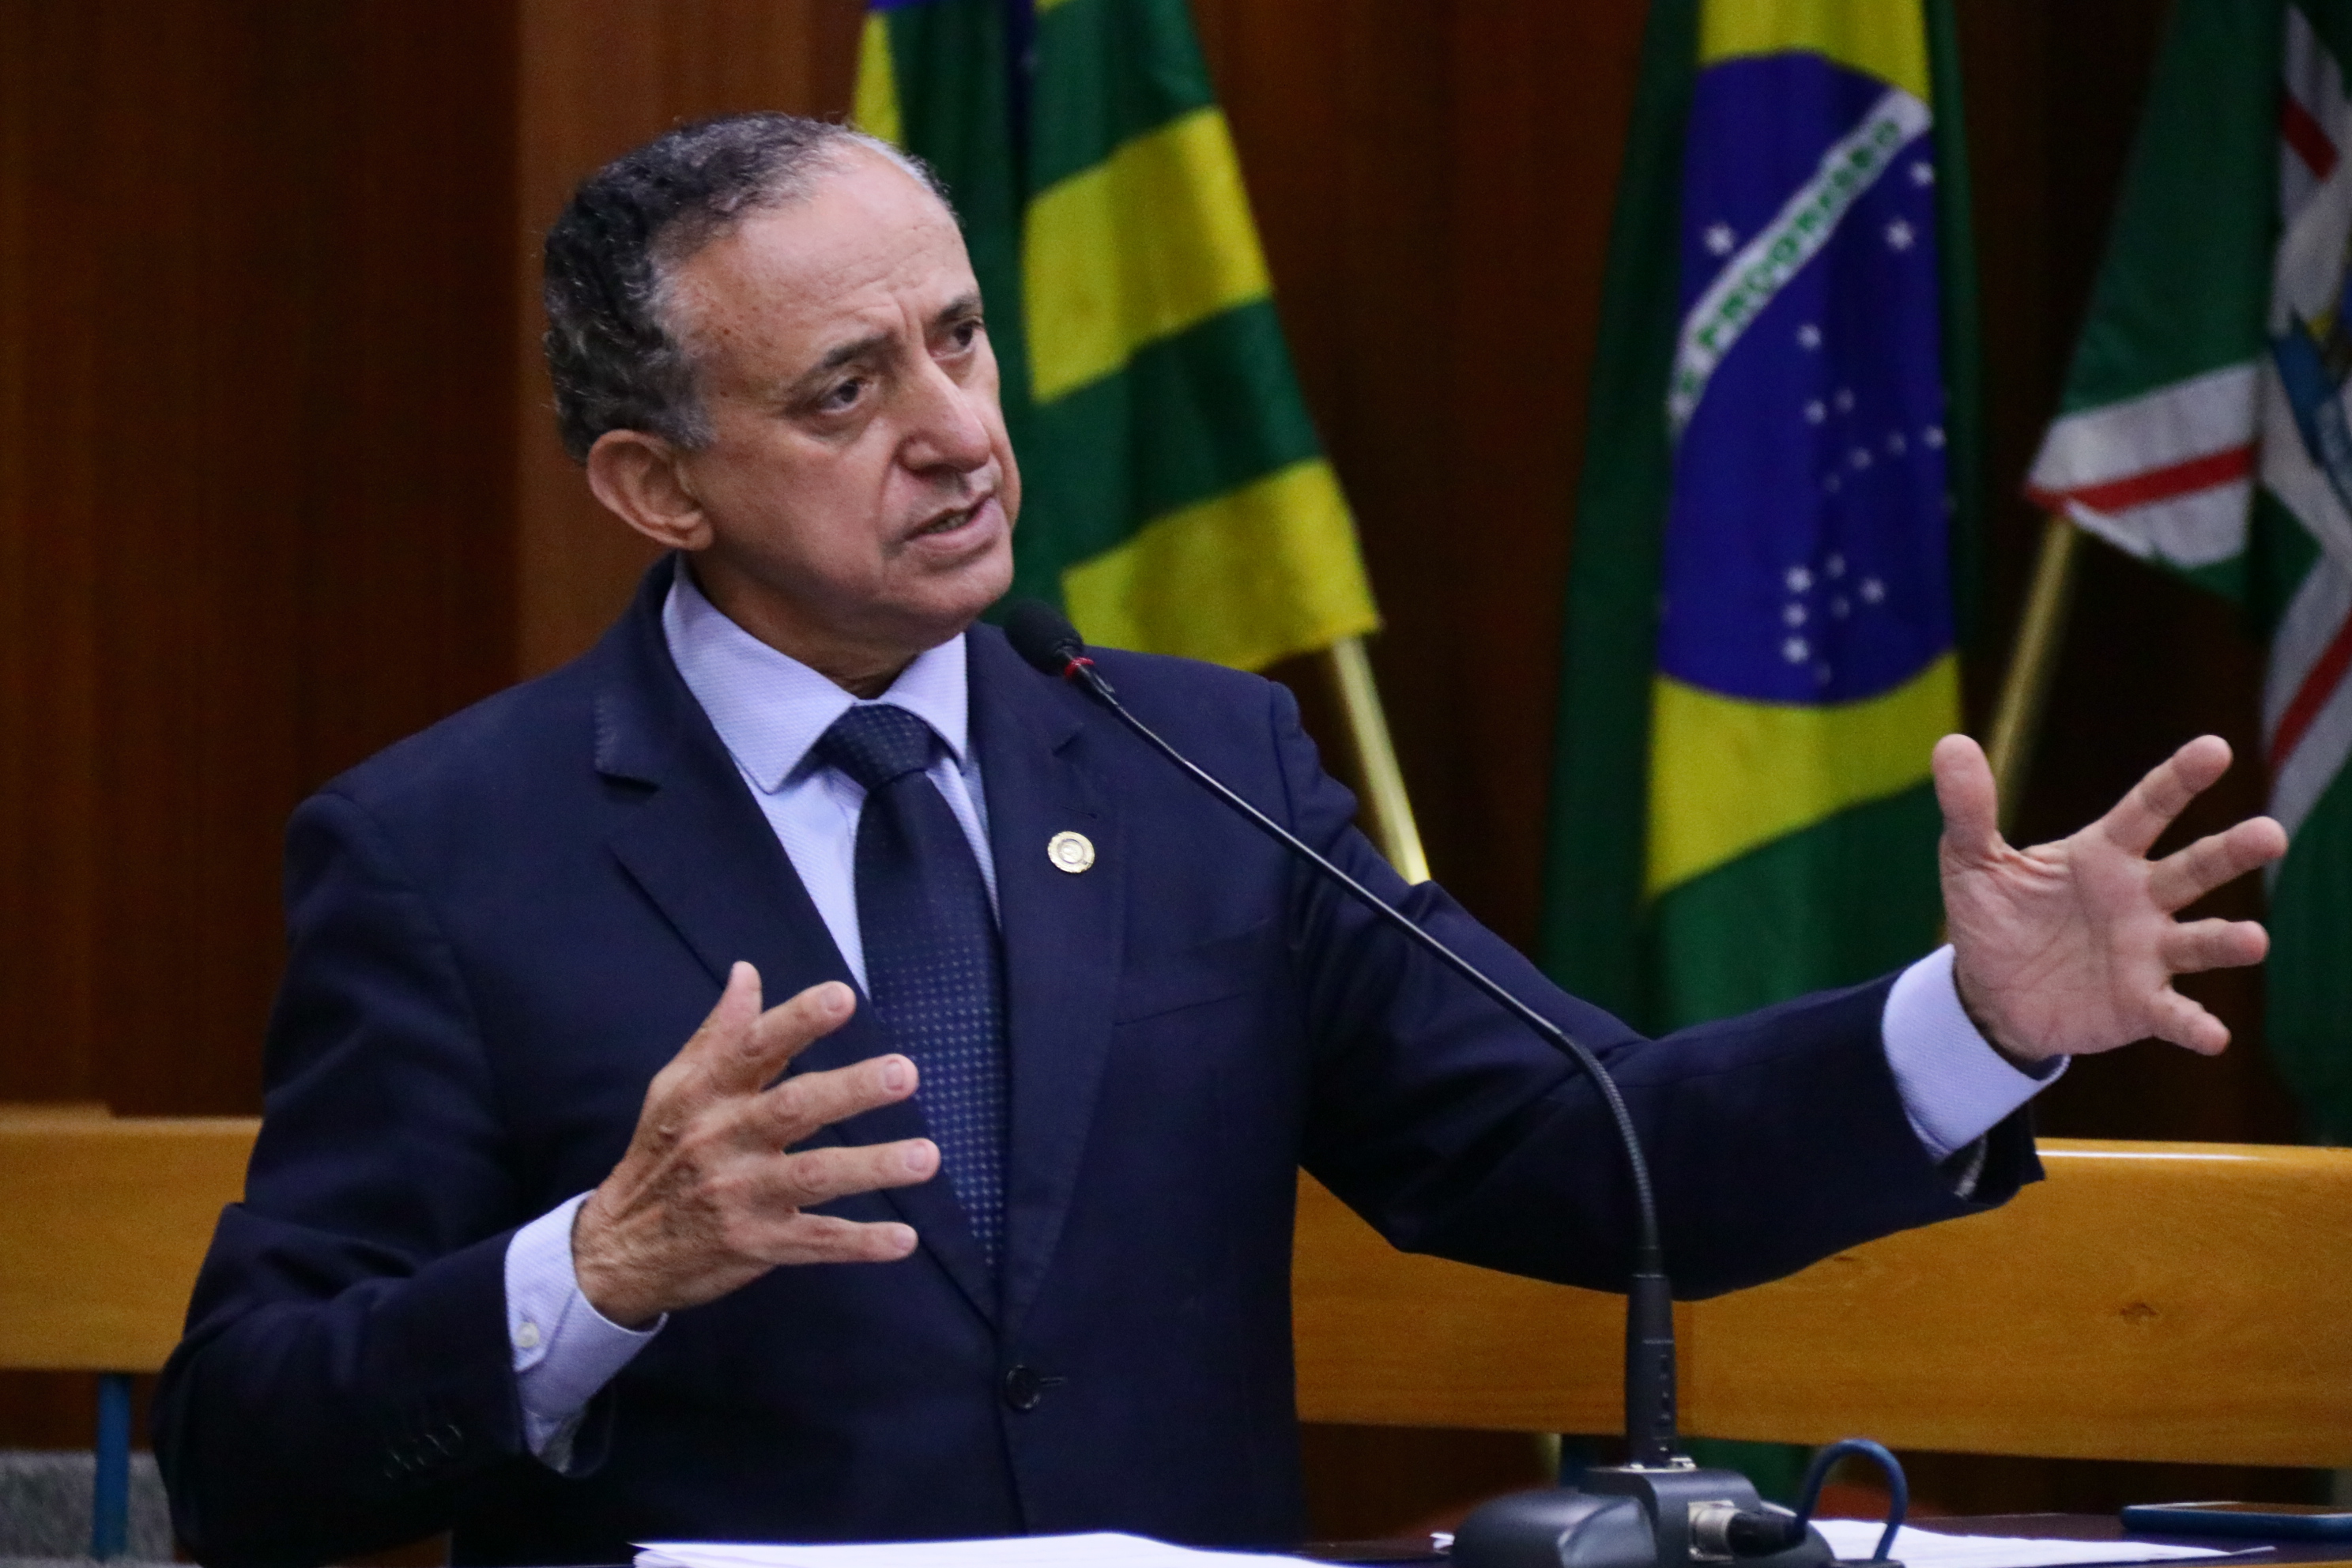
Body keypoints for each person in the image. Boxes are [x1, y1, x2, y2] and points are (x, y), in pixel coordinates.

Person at [153, 114, 2286, 1567]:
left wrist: (1975, 1024)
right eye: (843, 394)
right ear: (656, 486)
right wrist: (597, 1269)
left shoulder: (1197, 762)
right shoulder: (447, 851)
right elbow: (251, 1452)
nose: (957, 433)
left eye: (960, 340)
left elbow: (1587, 1142)